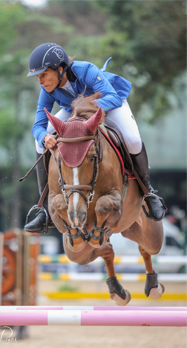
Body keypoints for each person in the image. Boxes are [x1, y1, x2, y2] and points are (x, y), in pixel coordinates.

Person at [24, 43, 166, 233]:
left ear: (59, 69)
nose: (40, 81)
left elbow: (113, 98)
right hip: (74, 111)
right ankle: (44, 209)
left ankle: (149, 193)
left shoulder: (86, 70)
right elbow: (38, 125)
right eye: (38, 77)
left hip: (110, 104)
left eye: (43, 75)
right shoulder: (48, 90)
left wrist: (85, 109)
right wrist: (44, 137)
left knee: (132, 139)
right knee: (38, 142)